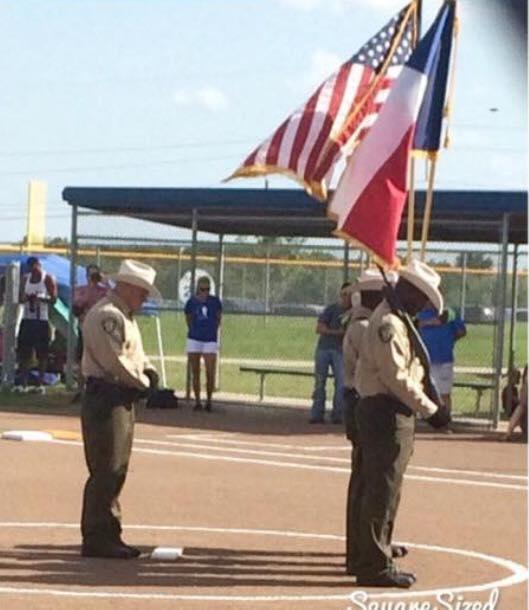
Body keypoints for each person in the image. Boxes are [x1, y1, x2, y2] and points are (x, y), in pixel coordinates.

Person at [353, 259, 450, 588]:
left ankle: (375, 552)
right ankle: (373, 564)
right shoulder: (390, 324)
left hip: (390, 410)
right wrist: (430, 409)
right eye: (421, 297)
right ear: (407, 291)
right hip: (385, 411)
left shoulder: (399, 321)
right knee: (381, 490)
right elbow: (396, 377)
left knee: (385, 489)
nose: (423, 305)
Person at [80, 259, 162, 559]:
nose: (144, 298)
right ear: (126, 287)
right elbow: (115, 361)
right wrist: (143, 383)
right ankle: (97, 535)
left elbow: (135, 354)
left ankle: (108, 532)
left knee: (117, 468)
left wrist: (149, 371)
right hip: (107, 396)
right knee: (106, 468)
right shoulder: (108, 316)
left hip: (119, 397)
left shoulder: (123, 316)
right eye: (141, 292)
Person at [342, 270, 394, 576]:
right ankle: (364, 546)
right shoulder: (364, 327)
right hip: (362, 399)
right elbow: (379, 365)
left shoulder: (364, 324)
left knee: (367, 477)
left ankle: (371, 542)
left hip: (360, 398)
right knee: (368, 478)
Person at [309, 282, 350, 424]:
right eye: (344, 294)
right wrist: (337, 332)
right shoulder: (332, 309)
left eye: (349, 295)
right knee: (320, 382)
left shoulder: (354, 312)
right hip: (324, 349)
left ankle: (338, 414)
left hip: (340, 352)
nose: (346, 298)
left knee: (341, 383)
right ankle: (317, 414)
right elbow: (319, 328)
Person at [15, 257, 57, 393]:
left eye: (36, 268)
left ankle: (40, 384)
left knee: (42, 354)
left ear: (39, 266)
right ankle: (23, 383)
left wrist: (41, 298)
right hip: (27, 318)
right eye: (31, 269)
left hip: (42, 319)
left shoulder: (47, 278)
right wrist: (27, 298)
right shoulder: (25, 279)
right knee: (24, 352)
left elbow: (54, 299)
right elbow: (20, 298)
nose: (34, 272)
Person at [417, 307, 466, 421]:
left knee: (444, 393)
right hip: (426, 360)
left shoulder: (450, 312)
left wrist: (449, 339)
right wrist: (430, 322)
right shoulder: (420, 312)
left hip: (445, 359)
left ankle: (445, 420)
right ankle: (428, 419)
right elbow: (415, 326)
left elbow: (461, 331)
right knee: (425, 391)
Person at [184, 275, 222, 412]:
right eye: (202, 289)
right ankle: (197, 401)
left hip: (210, 339)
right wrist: (194, 330)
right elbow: (188, 318)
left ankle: (209, 400)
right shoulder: (191, 302)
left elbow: (218, 318)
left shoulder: (215, 301)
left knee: (210, 371)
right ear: (198, 289)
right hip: (195, 338)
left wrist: (211, 330)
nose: (205, 292)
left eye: (207, 289)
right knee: (195, 371)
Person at [73, 263, 109, 362]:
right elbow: (76, 309)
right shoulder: (81, 290)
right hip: (85, 327)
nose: (93, 278)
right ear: (86, 276)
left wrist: (105, 281)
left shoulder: (105, 291)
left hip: (100, 328)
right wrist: (90, 290)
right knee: (83, 356)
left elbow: (112, 300)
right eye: (91, 275)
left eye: (95, 275)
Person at [504, 365, 527, 442]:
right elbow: (516, 401)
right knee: (522, 407)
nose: (519, 379)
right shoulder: (508, 389)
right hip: (512, 409)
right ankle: (509, 433)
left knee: (522, 408)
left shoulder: (514, 388)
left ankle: (509, 432)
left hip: (516, 409)